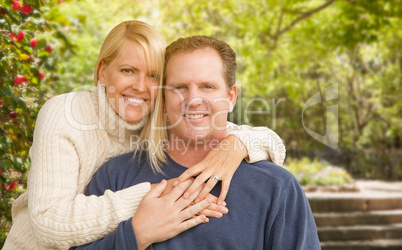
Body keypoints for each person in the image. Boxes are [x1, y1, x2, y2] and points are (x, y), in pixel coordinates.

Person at [4, 21, 286, 249]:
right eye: (128, 70)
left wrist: (236, 145)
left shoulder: (156, 113)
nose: (141, 86)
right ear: (103, 71)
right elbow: (48, 225)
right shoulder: (65, 113)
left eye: (153, 75)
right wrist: (153, 196)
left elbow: (219, 125)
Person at [74, 36, 320, 249]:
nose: (193, 100)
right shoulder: (115, 176)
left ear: (231, 97)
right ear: (163, 97)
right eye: (179, 87)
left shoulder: (276, 188)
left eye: (207, 86)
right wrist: (137, 236)